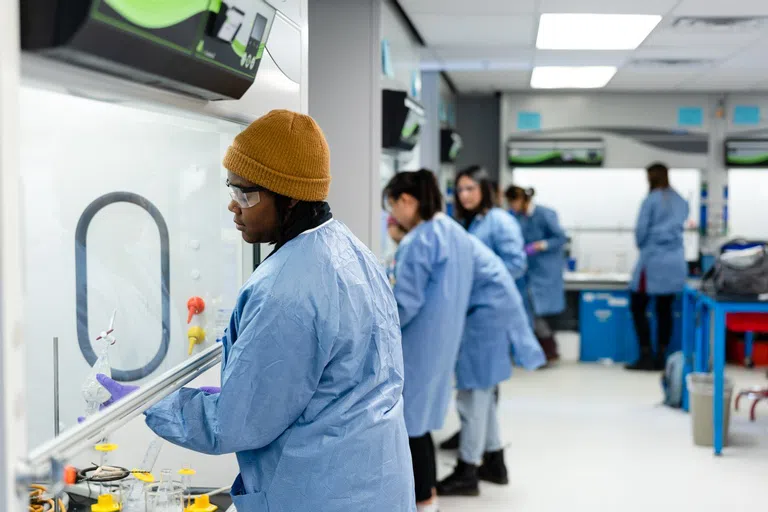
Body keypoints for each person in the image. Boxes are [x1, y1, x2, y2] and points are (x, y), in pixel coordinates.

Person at [96, 110, 416, 512]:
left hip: (321, 492)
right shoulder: (353, 252)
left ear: (290, 196)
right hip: (375, 479)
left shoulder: (284, 290)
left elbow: (233, 425)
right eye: (231, 190)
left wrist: (148, 403)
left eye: (245, 194)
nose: (234, 206)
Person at [383, 169, 475, 512]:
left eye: (393, 206)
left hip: (416, 345)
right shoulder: (452, 231)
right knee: (420, 424)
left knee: (412, 427)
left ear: (407, 200)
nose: (393, 217)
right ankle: (425, 497)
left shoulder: (420, 240)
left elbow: (404, 305)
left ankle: (424, 500)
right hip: (440, 342)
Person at [436, 224, 545, 497]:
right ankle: (495, 461)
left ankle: (467, 470)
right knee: (483, 394)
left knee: (472, 395)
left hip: (485, 315)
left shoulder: (435, 239)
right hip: (490, 310)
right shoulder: (449, 235)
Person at [438, 165, 530, 454]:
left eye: (470, 189)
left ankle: (473, 455)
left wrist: (482, 280)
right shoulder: (470, 222)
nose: (464, 195)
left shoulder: (499, 221)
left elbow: (516, 264)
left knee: (478, 386)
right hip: (472, 313)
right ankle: (487, 451)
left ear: (484, 190)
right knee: (479, 385)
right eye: (460, 190)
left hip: (489, 311)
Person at [626, 163, 689, 371]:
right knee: (665, 309)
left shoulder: (650, 200)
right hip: (675, 262)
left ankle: (645, 354)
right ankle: (662, 355)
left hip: (653, 260)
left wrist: (647, 244)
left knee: (637, 305)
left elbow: (640, 233)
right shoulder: (680, 200)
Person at [506, 185, 567, 362]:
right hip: (528, 272)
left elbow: (560, 238)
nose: (512, 206)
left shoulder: (545, 214)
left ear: (523, 200)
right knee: (529, 312)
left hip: (546, 271)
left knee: (538, 312)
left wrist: (541, 245)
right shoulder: (517, 218)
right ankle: (539, 353)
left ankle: (549, 351)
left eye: (514, 202)